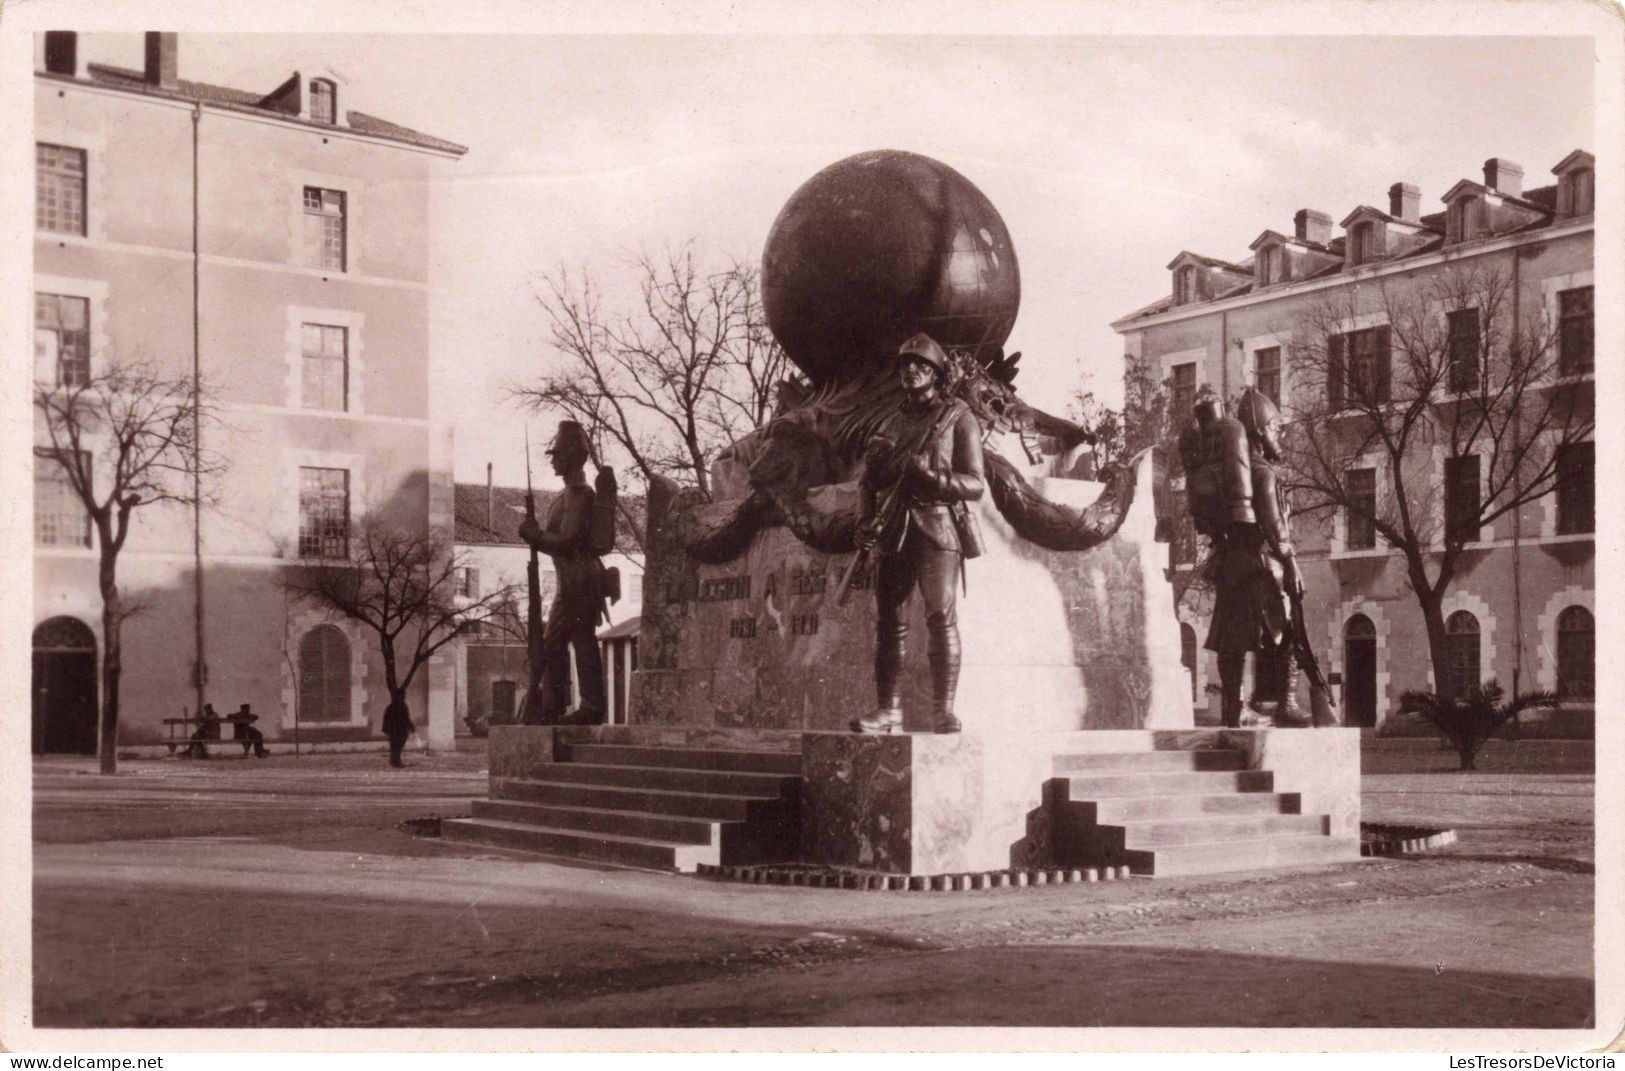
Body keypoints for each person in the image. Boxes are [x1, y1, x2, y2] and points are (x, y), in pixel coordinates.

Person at [851, 333, 985, 735]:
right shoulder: (890, 423)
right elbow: (866, 483)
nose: (911, 372)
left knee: (940, 616)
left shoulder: (958, 417)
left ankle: (943, 711)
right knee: (889, 621)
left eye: (921, 366)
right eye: (905, 366)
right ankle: (887, 711)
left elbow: (975, 483)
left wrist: (934, 477)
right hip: (893, 530)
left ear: (936, 374)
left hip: (937, 526)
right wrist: (863, 522)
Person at [1177, 386, 1306, 728]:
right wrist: (1290, 562)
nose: (1281, 436)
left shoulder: (1233, 472)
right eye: (1277, 429)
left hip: (1229, 563)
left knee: (1231, 641)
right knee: (1287, 631)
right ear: (1262, 431)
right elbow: (1274, 523)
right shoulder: (1262, 472)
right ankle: (1287, 703)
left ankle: (1233, 711)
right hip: (1260, 564)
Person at [518, 420, 608, 726]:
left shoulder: (579, 495)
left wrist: (536, 537)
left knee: (578, 642)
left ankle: (590, 707)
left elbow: (569, 542)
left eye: (557, 454)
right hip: (571, 580)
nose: (553, 460)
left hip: (580, 579)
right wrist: (538, 536)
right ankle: (553, 705)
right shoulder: (566, 495)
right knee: (555, 643)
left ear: (570, 457)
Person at [382, 696, 413, 768]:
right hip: (397, 730)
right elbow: (387, 718)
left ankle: (394, 760)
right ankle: (396, 761)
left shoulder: (395, 706)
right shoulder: (398, 707)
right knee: (396, 746)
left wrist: (385, 728)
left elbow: (406, 718)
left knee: (396, 746)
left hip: (397, 730)